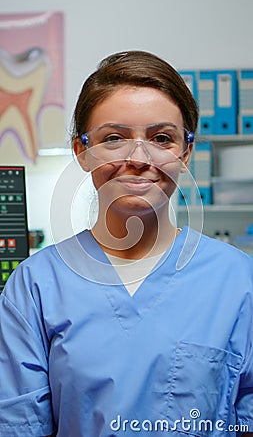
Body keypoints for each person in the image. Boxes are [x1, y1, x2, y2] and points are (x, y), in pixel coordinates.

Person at [0, 50, 252, 437]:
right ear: (81, 152)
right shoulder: (35, 287)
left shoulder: (238, 282)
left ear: (185, 153)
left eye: (162, 138)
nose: (139, 157)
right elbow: (19, 427)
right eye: (114, 138)